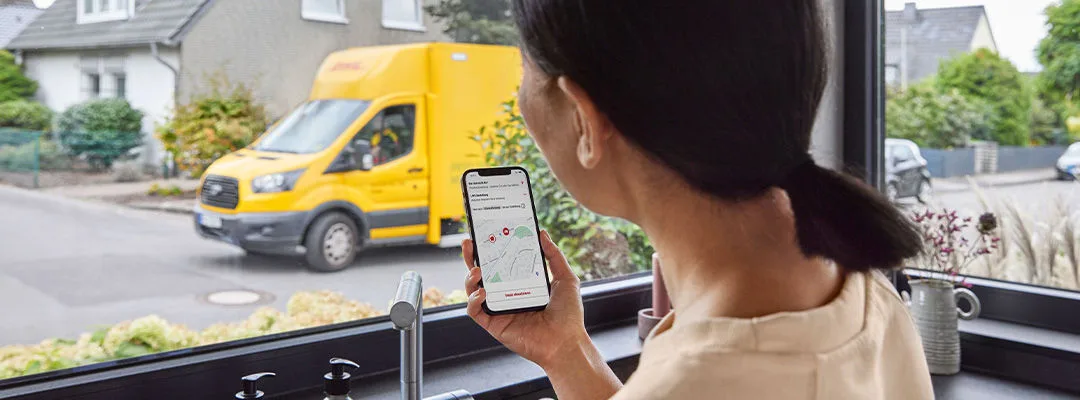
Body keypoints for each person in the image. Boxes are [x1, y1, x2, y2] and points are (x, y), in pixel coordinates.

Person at [461, 1, 933, 399]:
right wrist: (566, 351)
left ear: (584, 120)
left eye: (524, 69)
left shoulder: (693, 381)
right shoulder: (868, 294)